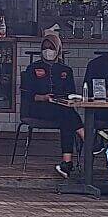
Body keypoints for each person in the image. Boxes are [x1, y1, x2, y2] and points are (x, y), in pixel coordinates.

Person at [20, 31, 83, 179]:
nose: (48, 51)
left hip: (60, 108)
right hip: (38, 108)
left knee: (67, 118)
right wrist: (43, 97)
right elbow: (27, 95)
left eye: (52, 48)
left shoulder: (66, 70)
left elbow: (70, 92)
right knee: (68, 116)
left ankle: (66, 163)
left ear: (58, 50)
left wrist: (65, 99)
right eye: (45, 47)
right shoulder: (32, 69)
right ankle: (88, 138)